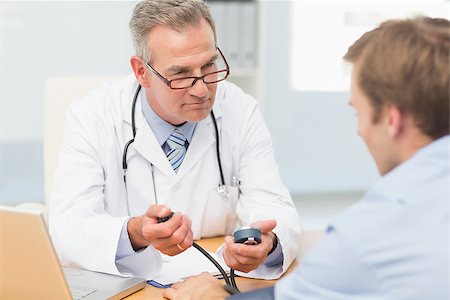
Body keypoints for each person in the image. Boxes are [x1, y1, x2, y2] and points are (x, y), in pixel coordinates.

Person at [162, 16, 450, 300]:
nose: (361, 130)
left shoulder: (374, 233)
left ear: (391, 119)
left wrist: (215, 297)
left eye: (358, 112)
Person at [48, 0, 302, 280]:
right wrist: (135, 232)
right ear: (142, 72)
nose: (202, 89)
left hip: (214, 285)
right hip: (130, 286)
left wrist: (268, 244)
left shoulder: (241, 111)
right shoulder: (92, 116)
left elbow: (274, 206)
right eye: (181, 74)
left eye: (208, 66)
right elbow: (67, 227)